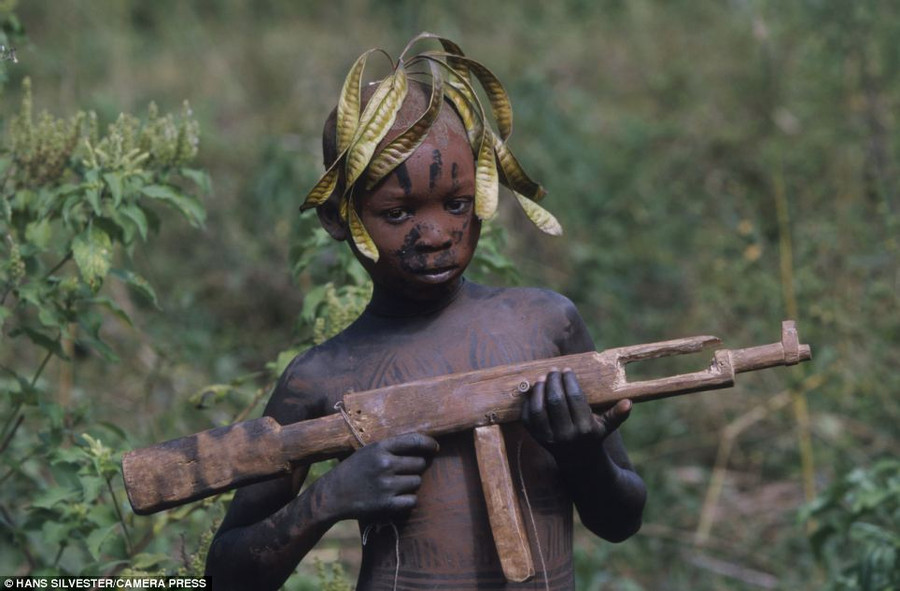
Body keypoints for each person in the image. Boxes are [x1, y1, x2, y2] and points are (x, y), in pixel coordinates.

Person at [205, 34, 646, 590]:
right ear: (338, 220)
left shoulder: (544, 324)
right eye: (398, 211)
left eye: (457, 204)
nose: (436, 235)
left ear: (482, 194)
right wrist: (326, 499)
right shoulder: (319, 378)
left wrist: (582, 453)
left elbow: (621, 520)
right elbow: (222, 578)